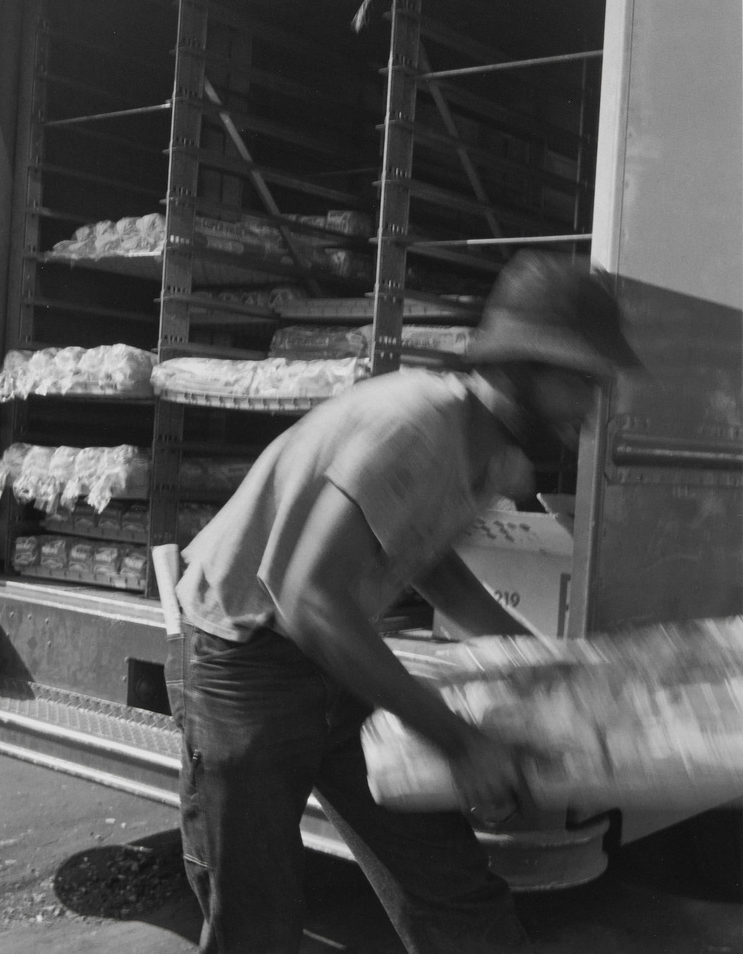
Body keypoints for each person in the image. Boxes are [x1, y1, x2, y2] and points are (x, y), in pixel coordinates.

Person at [165, 250, 644, 954]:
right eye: (580, 384)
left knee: (452, 890)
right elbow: (309, 597)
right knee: (255, 922)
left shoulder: (481, 445)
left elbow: (427, 562)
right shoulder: (419, 424)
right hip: (245, 658)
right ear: (519, 368)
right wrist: (459, 740)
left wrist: (527, 656)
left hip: (334, 655)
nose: (590, 410)